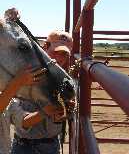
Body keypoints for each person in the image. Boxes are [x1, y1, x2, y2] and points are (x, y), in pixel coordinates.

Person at [4, 8, 75, 154]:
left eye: (64, 54)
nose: (59, 58)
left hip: (51, 144)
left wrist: (67, 110)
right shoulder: (24, 72)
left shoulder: (64, 80)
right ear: (44, 48)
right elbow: (18, 118)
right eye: (55, 52)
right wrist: (46, 111)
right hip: (24, 145)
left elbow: (65, 115)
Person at [0, 44, 45, 154]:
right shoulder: (10, 89)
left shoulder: (6, 92)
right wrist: (17, 82)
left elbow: (23, 121)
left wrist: (46, 112)